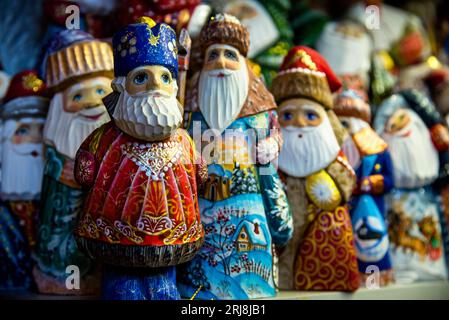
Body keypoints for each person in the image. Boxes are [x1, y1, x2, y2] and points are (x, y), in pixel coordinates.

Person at [74, 17, 206, 300]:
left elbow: (200, 171)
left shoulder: (184, 139)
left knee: (164, 289)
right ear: (121, 87)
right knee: (124, 289)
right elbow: (85, 173)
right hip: (116, 239)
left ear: (173, 86)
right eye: (141, 78)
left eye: (165, 78)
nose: (155, 86)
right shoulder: (104, 138)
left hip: (172, 238)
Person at [178, 13, 293, 300]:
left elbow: (276, 134)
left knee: (249, 249)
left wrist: (272, 145)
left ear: (243, 64)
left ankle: (253, 289)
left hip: (250, 199)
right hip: (202, 206)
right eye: (212, 55)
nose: (220, 62)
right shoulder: (191, 112)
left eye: (229, 54)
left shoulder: (260, 110)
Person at [271, 46, 360, 291]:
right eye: (287, 116)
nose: (299, 123)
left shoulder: (333, 157)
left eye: (310, 116)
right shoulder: (272, 161)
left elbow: (348, 180)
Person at [34, 29, 114, 295]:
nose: (91, 103)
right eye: (78, 96)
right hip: (61, 214)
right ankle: (57, 276)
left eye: (100, 91)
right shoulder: (57, 151)